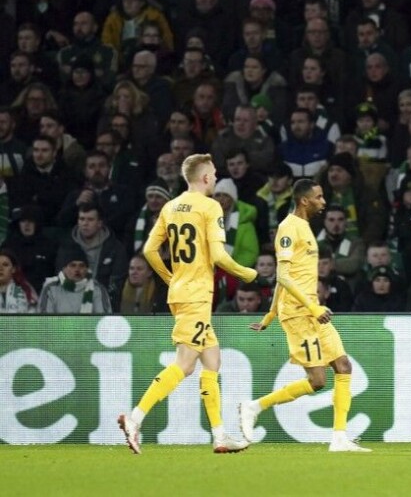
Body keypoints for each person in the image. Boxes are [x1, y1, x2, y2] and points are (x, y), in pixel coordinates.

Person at [118, 153, 258, 455]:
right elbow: (219, 257)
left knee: (212, 360)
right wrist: (248, 272)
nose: (217, 178)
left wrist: (172, 277)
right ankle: (135, 418)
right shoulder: (210, 207)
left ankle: (220, 435)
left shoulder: (170, 207)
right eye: (215, 174)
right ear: (205, 177)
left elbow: (150, 250)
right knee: (184, 363)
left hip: (183, 291)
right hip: (196, 295)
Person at [239, 179, 370, 453]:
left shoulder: (306, 227)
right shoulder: (288, 229)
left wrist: (268, 315)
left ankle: (338, 438)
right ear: (304, 200)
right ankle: (254, 407)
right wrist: (308, 309)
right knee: (318, 381)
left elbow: (286, 279)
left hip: (312, 309)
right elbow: (283, 276)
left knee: (343, 366)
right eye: (319, 197)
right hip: (301, 314)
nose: (324, 201)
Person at [38, 244, 111, 314]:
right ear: (64, 269)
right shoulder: (51, 289)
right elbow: (45, 320)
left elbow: (104, 320)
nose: (77, 269)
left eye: (81, 265)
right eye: (73, 265)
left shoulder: (98, 289)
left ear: (87, 269)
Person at [0, 248, 38, 313]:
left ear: (13, 269)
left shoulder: (26, 289)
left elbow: (34, 315)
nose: (1, 268)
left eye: (5, 265)